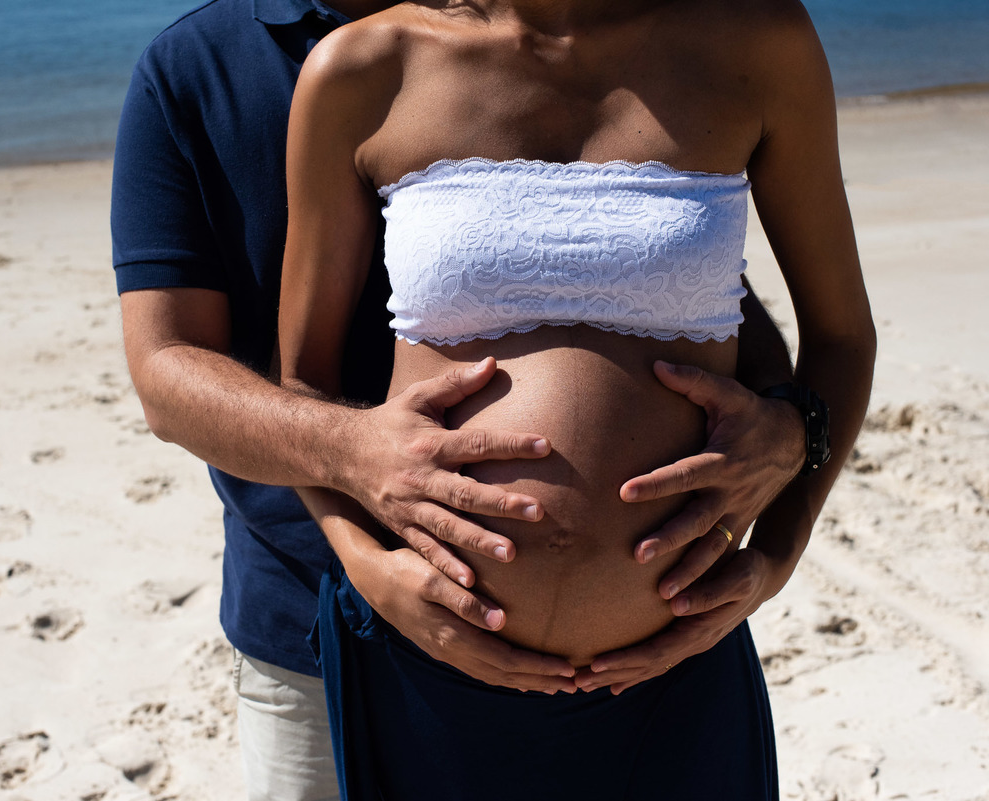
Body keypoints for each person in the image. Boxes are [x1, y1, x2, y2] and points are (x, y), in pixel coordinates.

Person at [111, 0, 816, 798]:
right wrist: (360, 509)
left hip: (661, 642)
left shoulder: (594, 42)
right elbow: (168, 375)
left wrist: (793, 436)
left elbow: (707, 303)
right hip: (326, 613)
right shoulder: (208, 66)